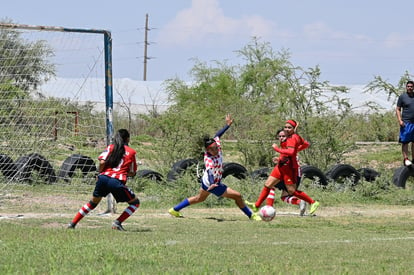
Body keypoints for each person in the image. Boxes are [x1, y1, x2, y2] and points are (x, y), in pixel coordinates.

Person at [168, 114, 261, 221]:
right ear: (208, 151)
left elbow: (218, 135)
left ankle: (174, 210)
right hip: (212, 183)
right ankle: (251, 215)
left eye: (216, 147)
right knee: (238, 196)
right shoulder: (209, 160)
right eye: (213, 149)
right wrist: (213, 184)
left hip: (206, 181)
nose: (216, 149)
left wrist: (228, 125)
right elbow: (210, 172)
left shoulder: (216, 145)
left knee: (199, 198)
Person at [67, 129, 140, 231]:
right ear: (127, 139)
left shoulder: (111, 147)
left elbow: (102, 162)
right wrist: (124, 173)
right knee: (135, 203)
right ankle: (117, 222)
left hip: (103, 178)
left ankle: (72, 223)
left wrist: (100, 173)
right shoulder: (131, 152)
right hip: (116, 181)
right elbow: (132, 172)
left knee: (93, 203)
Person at [246, 120, 320, 215]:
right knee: (268, 184)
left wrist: (277, 149)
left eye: (289, 128)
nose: (287, 129)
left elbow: (291, 152)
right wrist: (282, 157)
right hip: (281, 166)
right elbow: (305, 144)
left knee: (291, 191)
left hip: (289, 168)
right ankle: (256, 206)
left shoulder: (292, 138)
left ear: (293, 129)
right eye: (286, 127)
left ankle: (313, 202)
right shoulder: (294, 137)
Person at [265, 129, 307, 216]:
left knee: (271, 185)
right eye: (279, 136)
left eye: (283, 136)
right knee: (283, 196)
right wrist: (279, 159)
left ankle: (269, 209)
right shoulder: (285, 146)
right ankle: (300, 202)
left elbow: (303, 146)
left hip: (291, 173)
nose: (281, 138)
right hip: (288, 172)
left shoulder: (290, 145)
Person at [396, 80, 414, 166]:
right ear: (406, 87)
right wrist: (400, 120)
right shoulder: (402, 97)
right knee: (405, 141)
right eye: (408, 86)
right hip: (406, 123)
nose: (410, 88)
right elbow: (398, 109)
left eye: (411, 86)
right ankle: (406, 159)